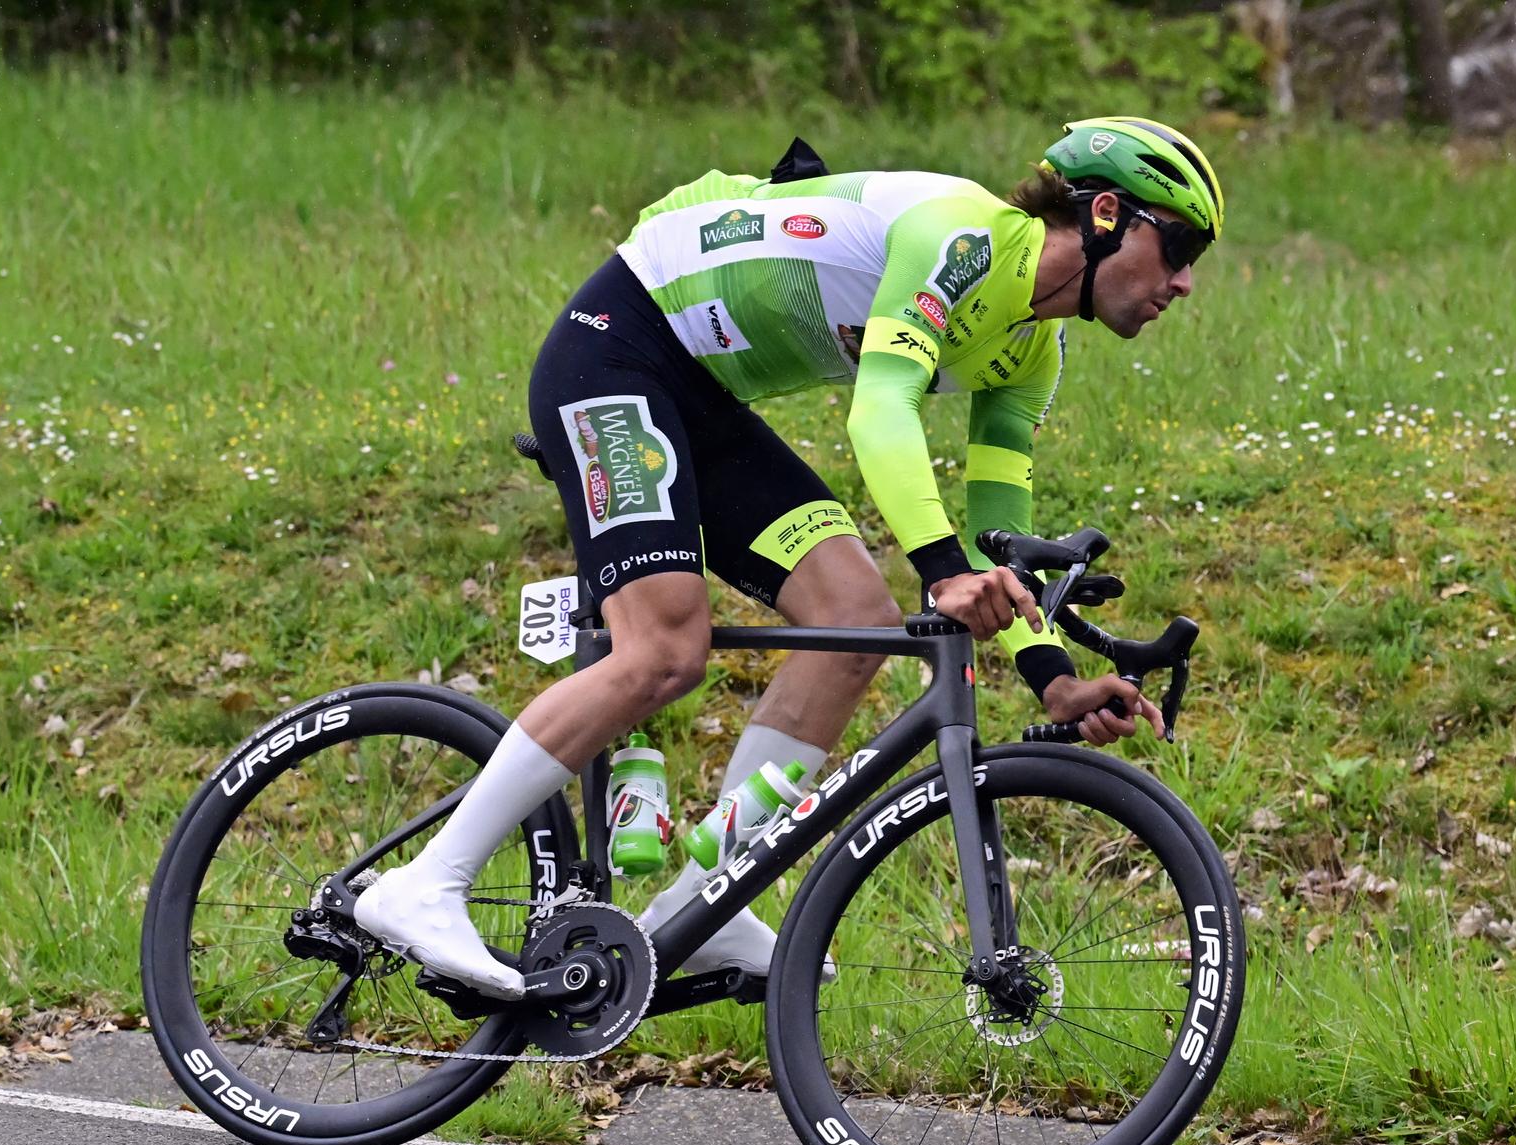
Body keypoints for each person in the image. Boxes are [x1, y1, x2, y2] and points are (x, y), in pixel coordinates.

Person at [356, 117, 1225, 998]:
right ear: (1107, 213)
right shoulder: (962, 238)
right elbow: (881, 411)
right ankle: (425, 885)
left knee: (855, 624)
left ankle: (706, 900)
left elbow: (998, 534)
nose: (1186, 281)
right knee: (664, 648)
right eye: (1179, 245)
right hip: (616, 347)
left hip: (703, 394)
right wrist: (942, 571)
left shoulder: (1034, 346)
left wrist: (1053, 679)